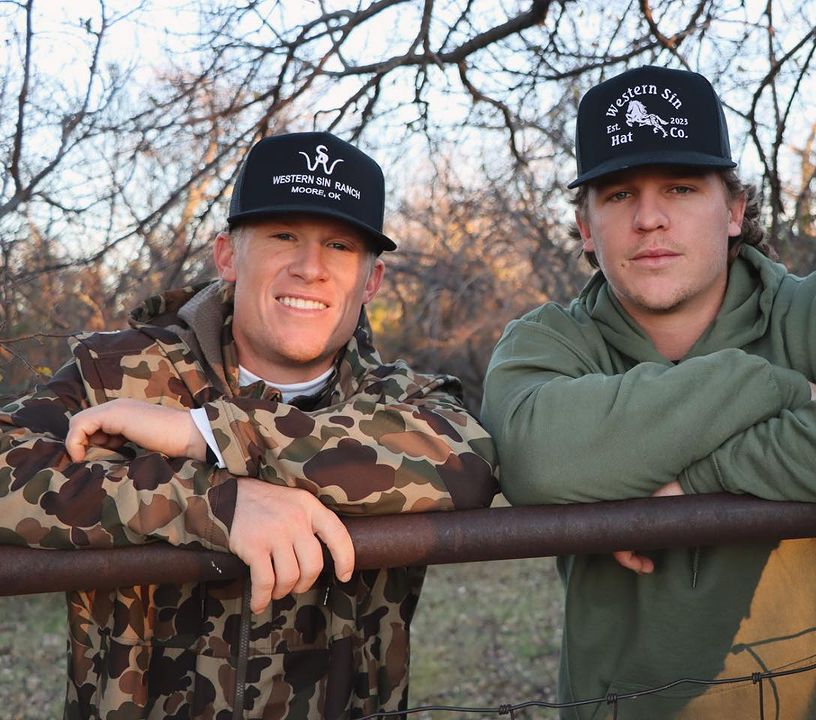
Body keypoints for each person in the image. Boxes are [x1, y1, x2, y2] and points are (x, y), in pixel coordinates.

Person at [481, 66, 816, 719]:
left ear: (733, 209)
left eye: (680, 187)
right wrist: (770, 386)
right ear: (586, 227)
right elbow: (535, 457)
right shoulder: (551, 342)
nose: (648, 218)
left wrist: (699, 476)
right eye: (617, 195)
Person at [0, 131, 499, 719]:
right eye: (283, 235)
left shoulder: (403, 398)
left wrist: (206, 434)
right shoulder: (115, 374)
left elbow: (469, 464)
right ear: (228, 256)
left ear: (371, 282)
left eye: (339, 246)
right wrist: (211, 504)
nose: (310, 267)